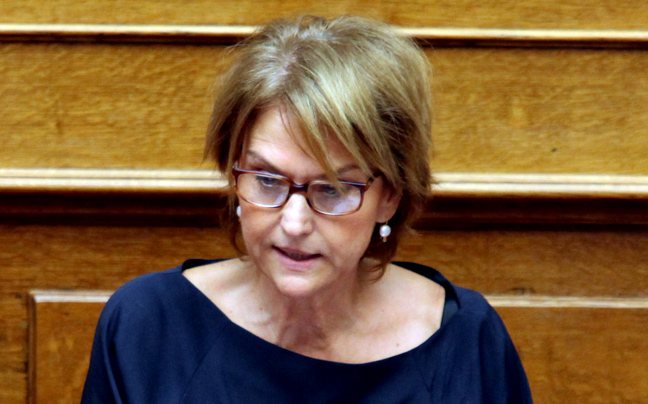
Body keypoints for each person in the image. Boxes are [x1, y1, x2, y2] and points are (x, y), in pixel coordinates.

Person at [82, 15, 532, 403]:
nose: (294, 223)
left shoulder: (467, 342)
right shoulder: (149, 327)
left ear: (390, 196)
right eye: (267, 180)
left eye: (333, 189)